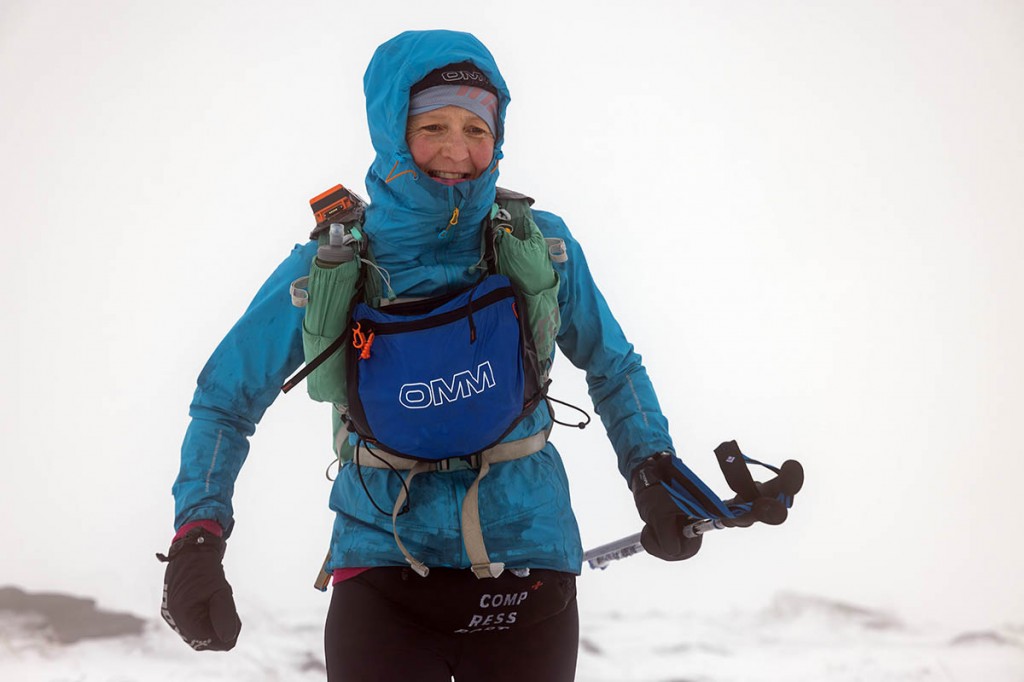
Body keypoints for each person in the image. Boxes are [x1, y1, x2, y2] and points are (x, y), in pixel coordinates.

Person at [158, 29, 701, 682]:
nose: (457, 150)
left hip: (528, 564)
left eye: (477, 128)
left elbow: (614, 367)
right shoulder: (334, 265)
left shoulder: (543, 247)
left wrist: (654, 474)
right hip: (384, 568)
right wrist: (198, 539)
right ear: (393, 130)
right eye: (434, 125)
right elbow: (225, 398)